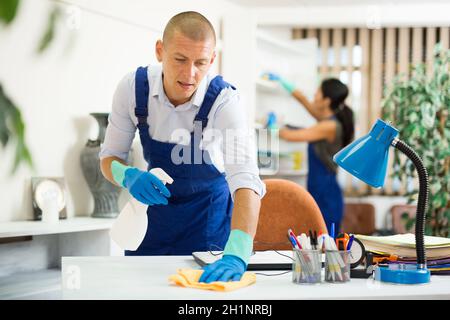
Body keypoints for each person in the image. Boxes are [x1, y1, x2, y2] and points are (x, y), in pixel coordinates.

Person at [100, 11, 265, 283]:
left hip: (207, 222)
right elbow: (109, 158)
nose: (190, 74)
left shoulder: (225, 101)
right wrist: (127, 176)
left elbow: (246, 178)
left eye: (201, 63)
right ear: (159, 51)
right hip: (152, 220)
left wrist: (237, 252)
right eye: (179, 59)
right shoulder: (132, 89)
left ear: (212, 59)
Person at [267, 74, 354, 234]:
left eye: (318, 92)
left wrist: (272, 126)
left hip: (327, 194)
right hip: (318, 189)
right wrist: (284, 83)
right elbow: (304, 100)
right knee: (316, 244)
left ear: (326, 100)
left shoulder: (329, 125)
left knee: (326, 247)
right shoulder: (326, 118)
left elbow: (291, 136)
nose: (314, 94)